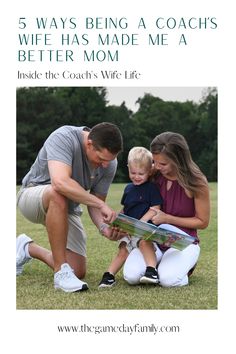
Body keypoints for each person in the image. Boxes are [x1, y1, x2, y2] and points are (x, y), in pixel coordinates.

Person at [16, 123, 123, 293]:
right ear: (89, 144)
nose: (105, 165)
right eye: (101, 159)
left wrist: (104, 228)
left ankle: (26, 248)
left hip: (67, 209)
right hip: (32, 196)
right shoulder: (63, 137)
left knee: (77, 270)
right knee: (57, 192)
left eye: (109, 160)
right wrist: (100, 204)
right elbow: (60, 182)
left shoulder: (109, 163)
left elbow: (94, 202)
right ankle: (60, 273)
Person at [123, 132, 210, 287]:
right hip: (151, 241)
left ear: (177, 161)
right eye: (154, 162)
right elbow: (135, 199)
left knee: (167, 280)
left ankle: (181, 266)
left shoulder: (196, 182)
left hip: (183, 242)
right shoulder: (154, 174)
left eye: (162, 164)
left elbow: (202, 222)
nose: (156, 167)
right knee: (131, 276)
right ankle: (160, 263)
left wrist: (167, 218)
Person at [98, 147, 163, 288]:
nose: (136, 176)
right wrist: (117, 220)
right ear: (128, 168)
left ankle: (152, 271)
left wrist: (140, 223)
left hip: (145, 231)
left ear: (149, 171)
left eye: (141, 173)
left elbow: (155, 209)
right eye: (133, 172)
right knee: (122, 248)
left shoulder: (151, 188)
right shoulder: (128, 189)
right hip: (129, 231)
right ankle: (109, 275)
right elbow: (126, 209)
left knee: (144, 242)